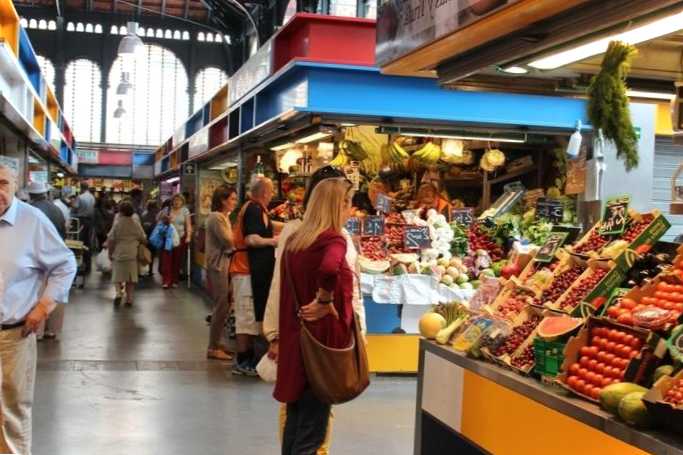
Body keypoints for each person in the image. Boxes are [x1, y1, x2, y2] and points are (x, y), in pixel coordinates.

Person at [264, 166, 366, 455]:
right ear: (337, 204)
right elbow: (329, 268)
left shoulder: (295, 241)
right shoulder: (333, 239)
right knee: (313, 431)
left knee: (296, 422)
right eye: (348, 203)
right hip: (322, 346)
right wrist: (324, 300)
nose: (350, 210)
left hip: (298, 341)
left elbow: (281, 288)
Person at [0, 164, 77, 453]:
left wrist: (44, 306)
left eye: (2, 183)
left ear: (15, 185)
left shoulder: (32, 221)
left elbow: (65, 264)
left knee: (11, 410)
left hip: (11, 336)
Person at [230, 177, 278, 376]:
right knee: (245, 317)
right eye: (271, 191)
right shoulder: (253, 209)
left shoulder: (258, 209)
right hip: (245, 270)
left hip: (251, 271)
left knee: (250, 317)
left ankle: (249, 358)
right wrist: (274, 241)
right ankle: (243, 360)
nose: (273, 195)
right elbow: (251, 239)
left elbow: (268, 226)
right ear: (264, 192)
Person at [205, 186, 238, 361]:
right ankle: (212, 347)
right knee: (221, 305)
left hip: (223, 264)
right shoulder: (217, 218)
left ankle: (217, 343)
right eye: (232, 199)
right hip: (218, 265)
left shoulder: (224, 217)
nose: (234, 202)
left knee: (224, 304)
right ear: (223, 200)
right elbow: (228, 241)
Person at [107, 200, 147, 306]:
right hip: (132, 254)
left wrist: (110, 253)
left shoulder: (117, 224)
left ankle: (118, 293)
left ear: (121, 211)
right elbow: (143, 238)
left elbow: (111, 240)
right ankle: (129, 299)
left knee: (117, 275)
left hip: (119, 253)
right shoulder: (135, 223)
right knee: (130, 278)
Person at [160, 194, 192, 289]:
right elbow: (159, 221)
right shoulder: (167, 210)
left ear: (182, 202)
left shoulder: (185, 211)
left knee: (177, 260)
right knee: (167, 259)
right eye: (175, 200)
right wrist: (166, 220)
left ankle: (175, 280)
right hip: (168, 238)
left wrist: (188, 236)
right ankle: (166, 281)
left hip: (180, 237)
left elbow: (188, 225)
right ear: (172, 201)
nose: (177, 202)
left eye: (179, 200)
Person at [73, 182, 96, 274]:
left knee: (79, 243)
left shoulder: (80, 197)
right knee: (87, 243)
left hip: (81, 221)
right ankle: (88, 265)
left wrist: (71, 203)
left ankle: (80, 264)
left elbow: (75, 207)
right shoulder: (92, 197)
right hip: (90, 221)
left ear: (81, 188)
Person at [141, 200, 161, 277]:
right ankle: (150, 270)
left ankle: (146, 269)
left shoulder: (144, 215)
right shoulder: (155, 216)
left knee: (146, 253)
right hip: (153, 237)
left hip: (146, 236)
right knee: (152, 254)